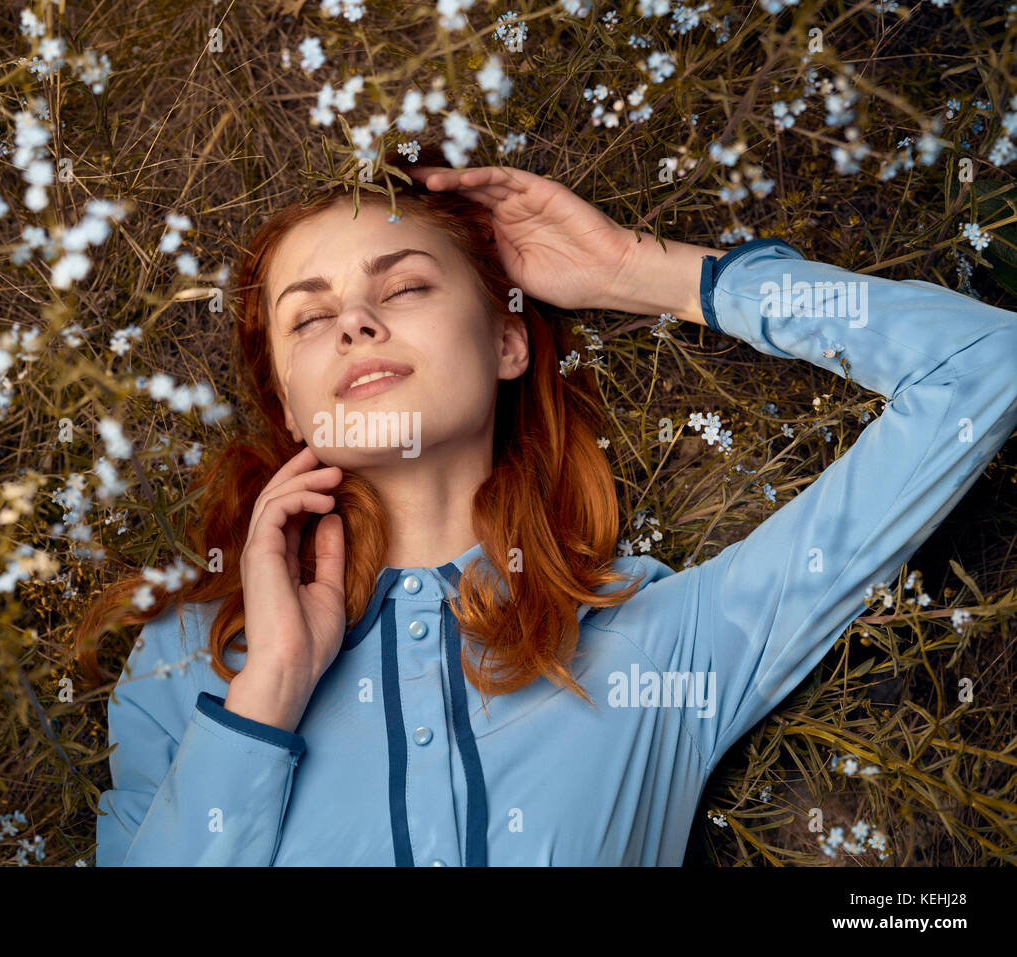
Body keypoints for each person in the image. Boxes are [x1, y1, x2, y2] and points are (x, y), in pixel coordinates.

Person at [75, 145, 1017, 866]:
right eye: (311, 318)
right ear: (288, 407)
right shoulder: (186, 667)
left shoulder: (667, 646)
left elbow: (981, 368)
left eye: (402, 286)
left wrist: (636, 272)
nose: (357, 323)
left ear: (508, 345)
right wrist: (269, 689)